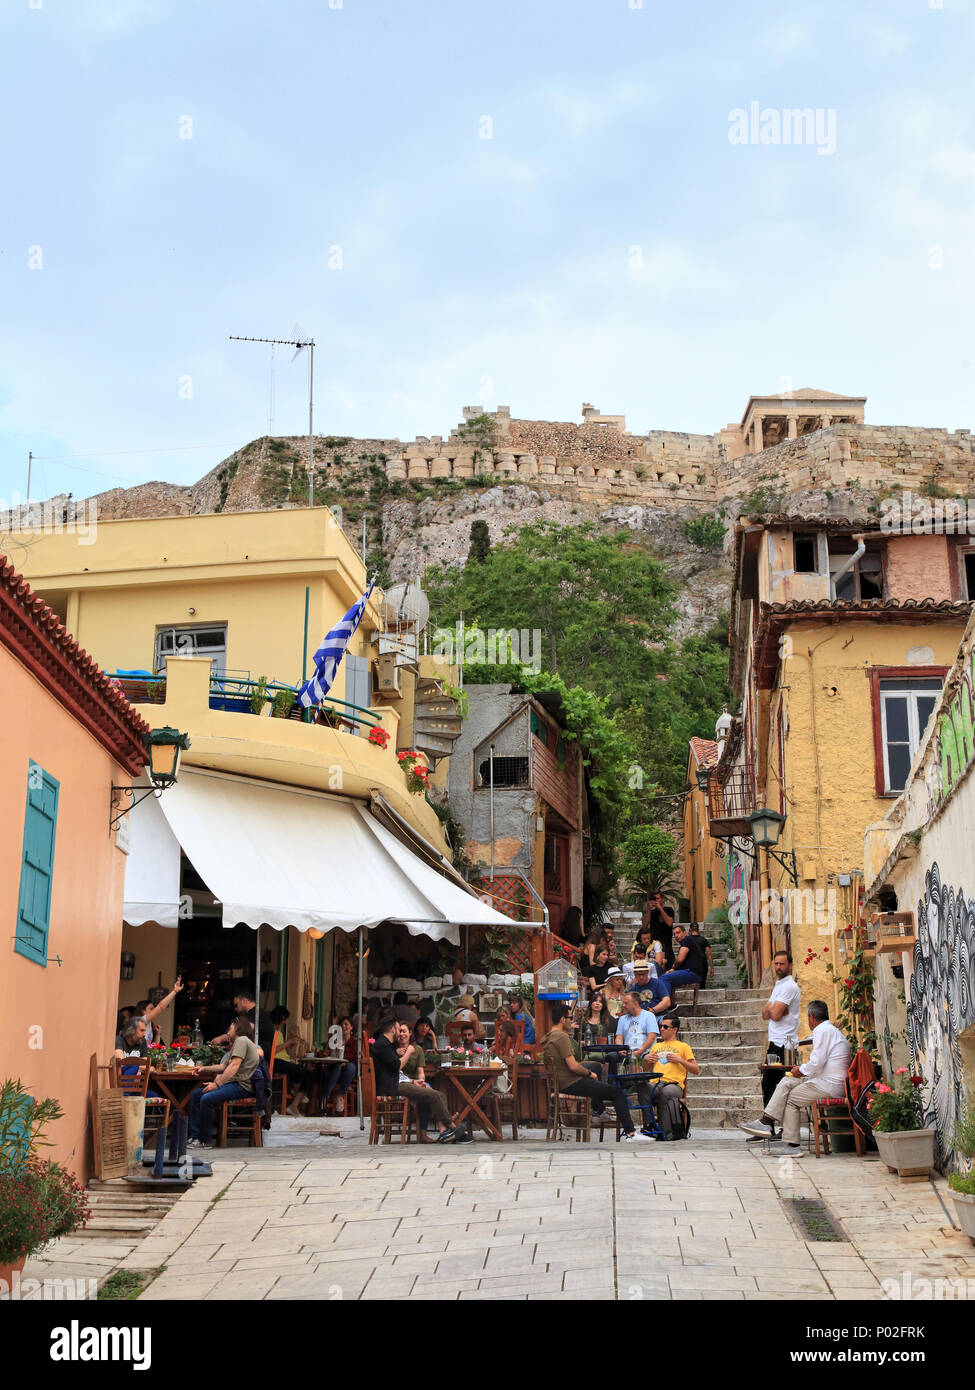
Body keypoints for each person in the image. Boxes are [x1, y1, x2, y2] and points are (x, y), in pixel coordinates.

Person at [739, 1001, 851, 1154]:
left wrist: (801, 1070)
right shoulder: (831, 1030)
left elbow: (817, 1063)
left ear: (811, 1017)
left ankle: (791, 1145)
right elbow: (820, 1063)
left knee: (791, 1099)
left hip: (830, 1085)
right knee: (787, 1081)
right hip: (830, 1082)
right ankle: (767, 1121)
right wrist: (801, 1071)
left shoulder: (822, 1031)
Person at [539, 1003, 648, 1141]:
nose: (571, 1021)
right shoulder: (561, 1037)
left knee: (595, 1071)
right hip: (571, 1083)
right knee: (616, 1093)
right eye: (570, 1017)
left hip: (561, 1083)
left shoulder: (548, 1037)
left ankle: (600, 1110)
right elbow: (573, 1066)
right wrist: (589, 1074)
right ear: (562, 1019)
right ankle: (630, 1133)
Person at [372, 1013, 459, 1143]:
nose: (399, 1033)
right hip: (392, 1087)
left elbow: (394, 1070)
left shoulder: (386, 1045)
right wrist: (409, 1052)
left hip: (397, 1082)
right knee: (435, 1095)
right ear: (392, 1030)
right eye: (398, 1029)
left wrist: (414, 1081)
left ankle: (449, 1130)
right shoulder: (384, 1045)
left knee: (439, 1095)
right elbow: (397, 1067)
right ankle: (452, 1127)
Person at [187, 1019, 260, 1149]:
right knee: (195, 1096)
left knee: (206, 1098)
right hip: (234, 1084)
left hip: (241, 1086)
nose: (228, 1031)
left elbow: (234, 1066)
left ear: (237, 1029)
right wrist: (204, 1069)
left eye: (230, 1028)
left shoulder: (241, 1040)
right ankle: (195, 1136)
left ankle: (205, 1141)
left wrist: (216, 1085)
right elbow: (223, 1066)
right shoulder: (240, 1042)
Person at [752, 949, 802, 1136]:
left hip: (785, 1044)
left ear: (790, 965)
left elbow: (775, 1013)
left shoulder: (789, 987)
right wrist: (772, 1009)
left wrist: (773, 1009)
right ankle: (769, 1128)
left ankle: (777, 1128)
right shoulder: (779, 986)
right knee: (769, 1084)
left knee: (780, 1085)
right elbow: (765, 1014)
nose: (778, 967)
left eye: (782, 964)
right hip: (776, 1042)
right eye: (776, 964)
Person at [643, 1015, 699, 1140]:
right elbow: (645, 1070)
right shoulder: (656, 1046)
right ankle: (649, 1125)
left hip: (674, 1085)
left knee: (666, 1092)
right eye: (661, 1026)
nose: (661, 1029)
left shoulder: (683, 1046)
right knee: (642, 1086)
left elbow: (696, 1070)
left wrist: (680, 1060)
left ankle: (664, 1131)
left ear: (675, 1030)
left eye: (665, 1026)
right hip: (656, 1083)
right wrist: (646, 1060)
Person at [614, 990, 661, 1129]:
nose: (623, 1005)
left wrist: (639, 1052)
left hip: (644, 1055)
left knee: (641, 1085)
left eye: (626, 1003)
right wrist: (619, 1047)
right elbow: (619, 1037)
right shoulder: (623, 1019)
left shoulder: (648, 1016)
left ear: (635, 1003)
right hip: (628, 1056)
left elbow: (652, 1037)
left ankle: (647, 1121)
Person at [265, 1006, 313, 1116]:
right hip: (275, 1062)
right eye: (285, 1019)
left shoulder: (279, 1033)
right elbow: (273, 1051)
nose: (286, 1022)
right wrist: (289, 1042)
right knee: (300, 1071)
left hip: (284, 1061)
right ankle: (296, 1090)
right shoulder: (270, 1032)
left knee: (310, 1074)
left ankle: (294, 1104)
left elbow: (282, 1051)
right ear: (281, 1018)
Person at [658, 924, 707, 994]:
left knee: (664, 978)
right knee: (667, 978)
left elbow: (679, 959)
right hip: (695, 973)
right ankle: (670, 1003)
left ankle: (665, 1002)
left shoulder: (687, 940)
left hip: (693, 973)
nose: (676, 936)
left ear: (684, 933)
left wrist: (673, 968)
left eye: (678, 933)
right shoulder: (688, 941)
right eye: (674, 934)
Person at [642, 894, 675, 966]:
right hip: (653, 946)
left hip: (666, 945)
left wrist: (660, 908)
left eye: (657, 898)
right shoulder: (652, 912)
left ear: (662, 899)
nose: (656, 900)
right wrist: (649, 910)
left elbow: (669, 923)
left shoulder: (668, 910)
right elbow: (644, 925)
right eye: (654, 899)